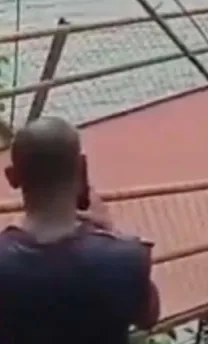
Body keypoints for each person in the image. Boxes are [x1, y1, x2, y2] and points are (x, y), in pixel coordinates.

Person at [0, 116, 160, 344]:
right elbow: (149, 317)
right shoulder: (125, 257)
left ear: (12, 177)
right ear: (82, 167)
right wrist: (109, 230)